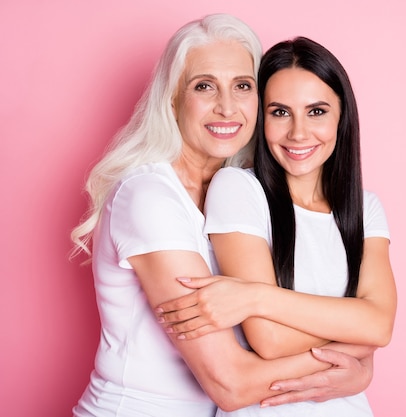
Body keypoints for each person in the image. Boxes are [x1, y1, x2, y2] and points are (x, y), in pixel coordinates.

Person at [70, 15, 374, 417]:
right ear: (173, 98)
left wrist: (358, 360)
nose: (227, 107)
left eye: (243, 86)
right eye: (204, 86)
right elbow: (231, 383)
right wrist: (354, 357)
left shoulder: (243, 193)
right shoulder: (149, 198)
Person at [156, 37, 397, 416]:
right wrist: (357, 342)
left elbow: (380, 324)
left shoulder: (365, 209)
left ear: (342, 116)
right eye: (280, 112)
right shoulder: (237, 188)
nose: (298, 133)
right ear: (261, 117)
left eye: (316, 112)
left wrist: (256, 297)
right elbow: (269, 339)